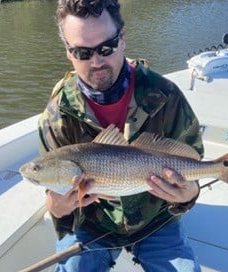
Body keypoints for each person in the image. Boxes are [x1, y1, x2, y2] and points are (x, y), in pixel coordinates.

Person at [38, 0, 204, 271]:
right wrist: (57, 207)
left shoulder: (167, 95)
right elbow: (53, 191)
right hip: (90, 224)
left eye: (106, 47)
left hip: (156, 219)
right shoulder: (57, 115)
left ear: (122, 40)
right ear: (68, 52)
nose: (97, 61)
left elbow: (193, 161)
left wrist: (188, 193)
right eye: (82, 52)